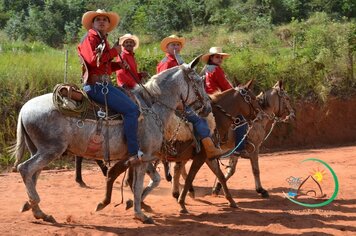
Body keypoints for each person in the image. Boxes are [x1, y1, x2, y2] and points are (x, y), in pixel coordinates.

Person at [77, 9, 142, 165]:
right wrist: (115, 51)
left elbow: (103, 66)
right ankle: (133, 152)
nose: (101, 21)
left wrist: (119, 65)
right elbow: (93, 61)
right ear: (92, 23)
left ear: (107, 24)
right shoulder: (90, 38)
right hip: (95, 86)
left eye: (104, 20)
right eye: (98, 19)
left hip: (104, 83)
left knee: (133, 107)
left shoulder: (101, 39)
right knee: (132, 110)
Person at [157, 35, 229, 160]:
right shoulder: (168, 63)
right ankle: (209, 149)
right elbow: (165, 86)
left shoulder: (175, 61)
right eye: (173, 45)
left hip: (179, 99)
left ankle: (197, 146)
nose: (176, 47)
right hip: (174, 102)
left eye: (178, 44)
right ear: (167, 48)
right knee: (198, 119)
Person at [201, 46, 248, 155]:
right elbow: (225, 86)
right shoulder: (217, 69)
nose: (220, 59)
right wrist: (235, 91)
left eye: (221, 57)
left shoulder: (205, 69)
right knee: (241, 119)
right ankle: (239, 148)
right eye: (217, 57)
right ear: (211, 58)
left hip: (207, 99)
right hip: (218, 99)